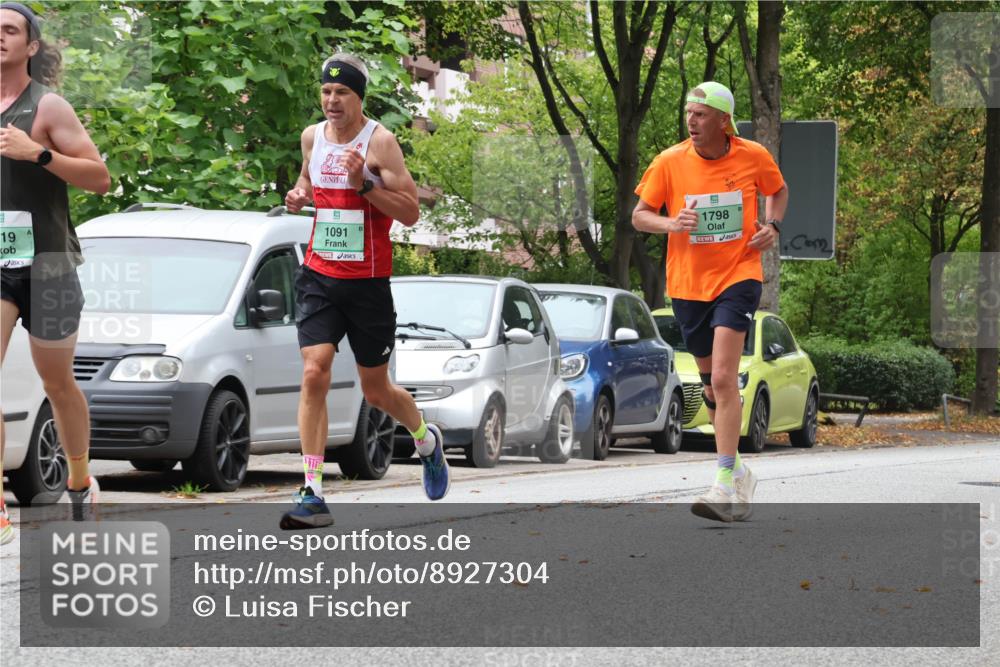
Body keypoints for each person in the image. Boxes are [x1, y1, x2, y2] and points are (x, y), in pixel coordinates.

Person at [279, 53, 449, 529]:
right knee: (315, 371)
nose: (332, 101)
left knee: (376, 391)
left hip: (367, 282)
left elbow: (411, 211)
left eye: (342, 93)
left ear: (359, 98)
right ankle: (312, 490)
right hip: (318, 275)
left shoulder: (382, 142)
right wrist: (298, 195)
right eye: (326, 92)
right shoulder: (311, 136)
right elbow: (308, 183)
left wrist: (365, 183)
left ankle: (425, 440)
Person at [632, 81, 788, 523]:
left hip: (739, 275)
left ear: (724, 120)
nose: (691, 122)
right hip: (687, 285)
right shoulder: (669, 161)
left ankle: (722, 482)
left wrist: (772, 227)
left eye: (700, 115)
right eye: (688, 114)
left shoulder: (753, 156)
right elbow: (639, 216)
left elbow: (778, 190)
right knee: (709, 386)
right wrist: (671, 224)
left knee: (723, 377)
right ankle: (740, 471)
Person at [0, 2, 111, 544]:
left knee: (57, 383)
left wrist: (37, 154)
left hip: (48, 265)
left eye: (10, 30)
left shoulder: (47, 108)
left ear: (31, 46)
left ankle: (80, 480)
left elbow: (99, 178)